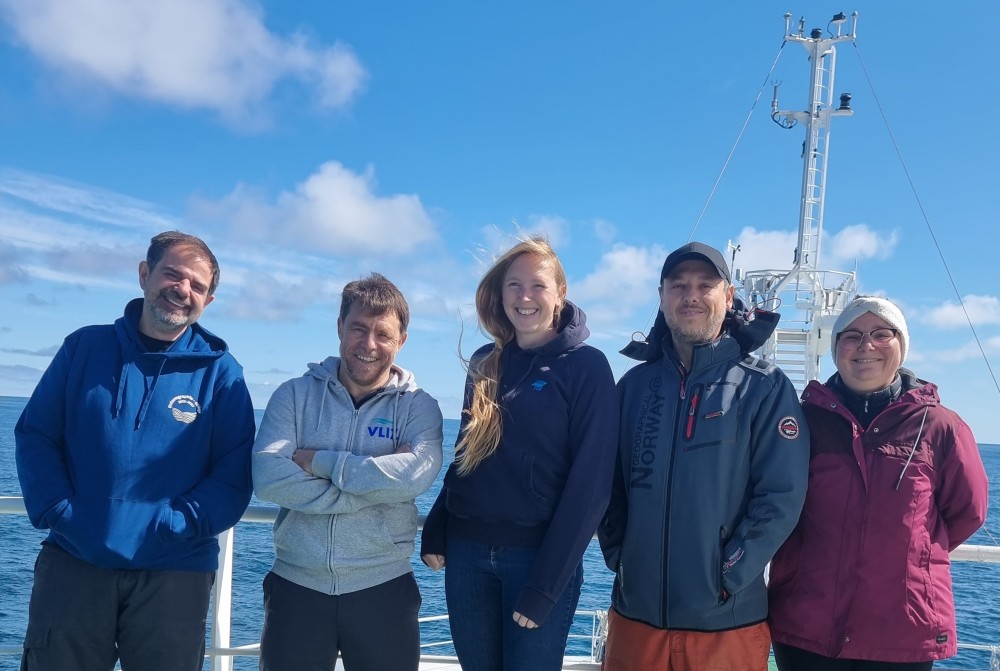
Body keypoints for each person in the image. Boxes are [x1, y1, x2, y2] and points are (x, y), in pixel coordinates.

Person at [14, 231, 256, 671]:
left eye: (197, 286)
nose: (183, 291)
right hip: (75, 558)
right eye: (172, 275)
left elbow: (233, 474)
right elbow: (35, 435)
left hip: (174, 569)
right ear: (145, 274)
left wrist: (174, 524)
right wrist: (61, 511)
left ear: (209, 300)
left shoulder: (222, 374)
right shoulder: (84, 348)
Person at [597, 241, 810, 671]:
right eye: (678, 285)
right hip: (635, 621)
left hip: (726, 626)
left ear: (728, 297)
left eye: (705, 284)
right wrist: (622, 558)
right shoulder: (633, 388)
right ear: (661, 297)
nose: (690, 295)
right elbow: (606, 485)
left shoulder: (764, 388)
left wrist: (729, 574)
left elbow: (781, 497)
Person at [420, 236, 618, 671]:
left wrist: (546, 584)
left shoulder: (586, 367)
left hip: (537, 558)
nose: (524, 297)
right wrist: (437, 523)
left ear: (560, 293)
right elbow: (467, 453)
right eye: (514, 285)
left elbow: (592, 485)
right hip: (467, 553)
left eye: (538, 285)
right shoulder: (483, 361)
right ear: (499, 292)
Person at [768, 295, 989, 671]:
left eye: (881, 333)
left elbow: (969, 512)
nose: (865, 345)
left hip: (902, 632)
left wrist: (908, 558)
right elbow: (775, 501)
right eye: (851, 335)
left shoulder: (940, 426)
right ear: (836, 348)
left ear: (902, 345)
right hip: (808, 627)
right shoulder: (803, 422)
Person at [252, 272, 443, 671]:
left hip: (383, 588)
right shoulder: (294, 395)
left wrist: (318, 461)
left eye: (383, 334)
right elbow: (268, 476)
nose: (368, 344)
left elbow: (414, 478)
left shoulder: (418, 407)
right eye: (358, 328)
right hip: (296, 586)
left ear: (401, 340)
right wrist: (374, 485)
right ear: (340, 327)